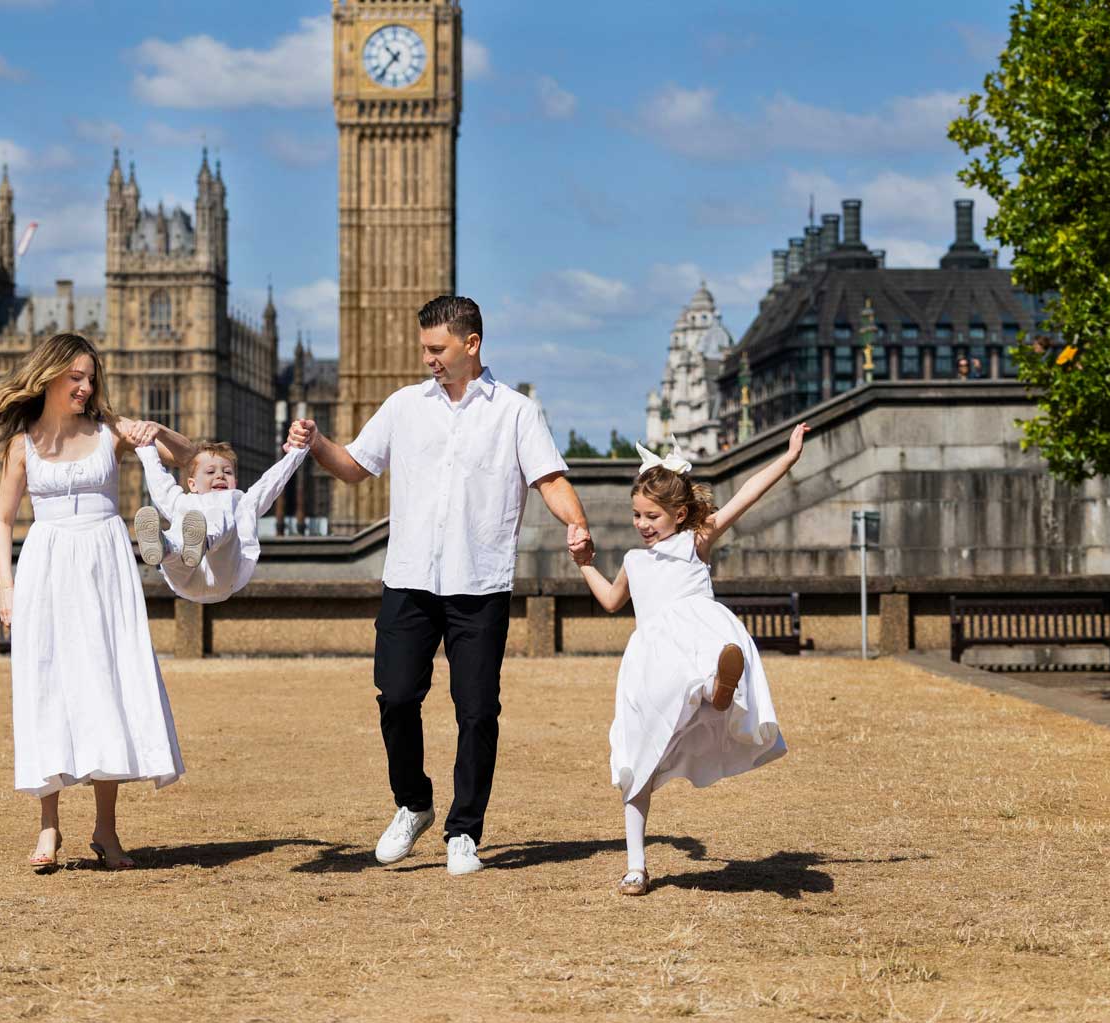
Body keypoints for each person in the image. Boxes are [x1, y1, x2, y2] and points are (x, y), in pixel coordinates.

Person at [288, 295, 593, 877]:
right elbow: (355, 466)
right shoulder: (405, 406)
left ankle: (464, 831)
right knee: (396, 697)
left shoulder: (516, 413)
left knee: (476, 711)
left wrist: (577, 524)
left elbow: (549, 478)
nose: (427, 358)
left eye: (436, 348)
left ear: (470, 345)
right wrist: (317, 443)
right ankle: (414, 803)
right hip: (409, 578)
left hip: (479, 582)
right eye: (424, 348)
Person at [0, 332, 191, 872]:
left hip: (104, 565)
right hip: (45, 566)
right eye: (76, 377)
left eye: (91, 378)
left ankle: (106, 831)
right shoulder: (22, 444)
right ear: (48, 378)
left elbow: (188, 458)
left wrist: (155, 431)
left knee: (104, 687)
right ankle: (49, 827)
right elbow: (2, 521)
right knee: (48, 688)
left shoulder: (110, 431)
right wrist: (5, 585)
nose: (86, 386)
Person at [573, 429, 803, 895]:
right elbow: (612, 601)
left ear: (678, 514)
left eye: (652, 516)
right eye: (636, 515)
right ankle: (635, 866)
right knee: (635, 758)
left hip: (698, 636)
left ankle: (718, 689)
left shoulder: (696, 540)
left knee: (705, 660)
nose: (643, 524)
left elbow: (746, 495)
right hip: (651, 659)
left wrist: (790, 456)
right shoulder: (635, 561)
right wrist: (584, 563)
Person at [132, 438, 309, 603]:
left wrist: (296, 453)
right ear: (192, 484)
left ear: (235, 481)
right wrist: (146, 448)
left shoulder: (241, 503)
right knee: (175, 548)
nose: (220, 476)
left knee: (222, 512)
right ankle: (166, 548)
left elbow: (270, 482)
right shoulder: (183, 502)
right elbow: (160, 484)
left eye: (227, 472)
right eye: (210, 471)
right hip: (185, 578)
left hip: (224, 576)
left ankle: (203, 540)